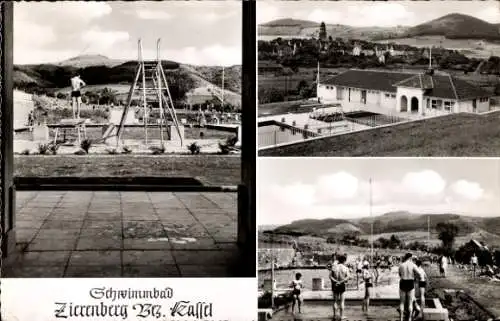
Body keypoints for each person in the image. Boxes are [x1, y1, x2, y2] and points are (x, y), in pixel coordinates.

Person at [398, 253, 423, 321]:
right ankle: (409, 318)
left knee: (402, 302)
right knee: (410, 303)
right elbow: (420, 274)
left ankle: (401, 318)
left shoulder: (401, 265)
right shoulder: (413, 265)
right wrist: (415, 277)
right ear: (410, 258)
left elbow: (400, 274)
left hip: (403, 282)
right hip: (410, 282)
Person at [330, 254, 351, 320]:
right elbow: (348, 277)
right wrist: (341, 282)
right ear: (344, 260)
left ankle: (334, 315)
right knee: (342, 302)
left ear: (338, 260)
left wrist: (336, 281)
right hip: (342, 284)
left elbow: (330, 276)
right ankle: (341, 316)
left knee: (335, 301)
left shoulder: (334, 267)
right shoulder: (345, 268)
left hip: (335, 284)